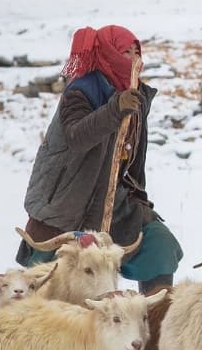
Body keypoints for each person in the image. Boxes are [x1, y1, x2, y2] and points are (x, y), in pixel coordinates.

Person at [16, 25, 182, 294]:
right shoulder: (81, 90)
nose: (133, 59)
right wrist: (115, 109)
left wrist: (138, 197)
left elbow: (132, 156)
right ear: (107, 53)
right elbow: (77, 136)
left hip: (112, 203)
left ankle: (154, 312)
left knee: (160, 246)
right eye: (125, 52)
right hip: (67, 202)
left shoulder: (136, 94)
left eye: (136, 52)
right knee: (46, 278)